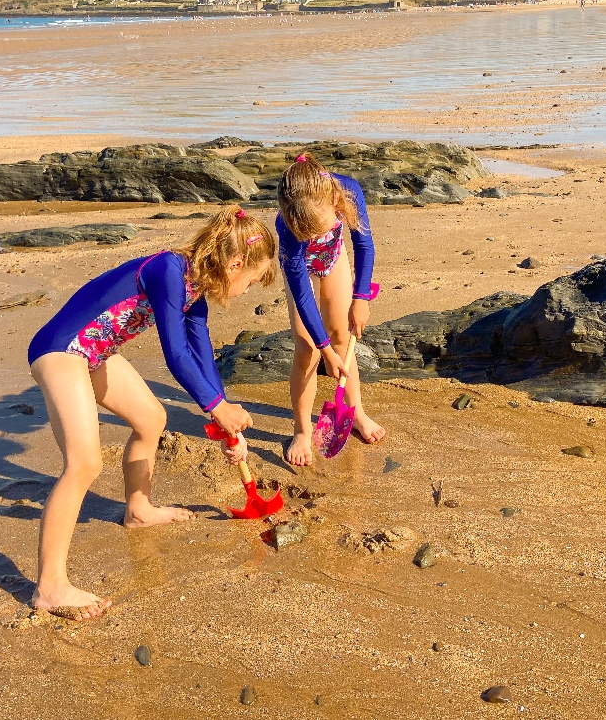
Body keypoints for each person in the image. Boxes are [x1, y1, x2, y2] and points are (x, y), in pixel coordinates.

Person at [26, 206, 276, 619]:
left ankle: (138, 509)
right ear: (235, 264)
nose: (247, 290)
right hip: (61, 350)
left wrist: (224, 414)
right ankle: (50, 586)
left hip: (94, 353)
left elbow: (200, 354)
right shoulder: (168, 270)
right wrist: (216, 406)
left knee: (151, 419)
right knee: (83, 464)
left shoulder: (196, 289)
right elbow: (175, 353)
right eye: (250, 281)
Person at [276, 152, 385, 466]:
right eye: (305, 233)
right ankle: (301, 430)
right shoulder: (286, 224)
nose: (311, 236)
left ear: (334, 201)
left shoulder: (347, 191)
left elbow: (364, 245)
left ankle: (357, 413)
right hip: (301, 271)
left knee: (342, 335)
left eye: (317, 228)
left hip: (333, 258)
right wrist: (324, 350)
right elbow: (301, 293)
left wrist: (360, 298)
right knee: (306, 347)